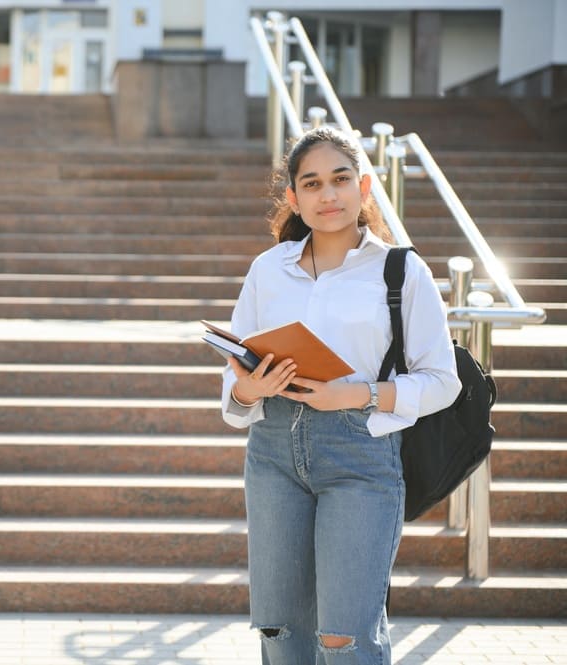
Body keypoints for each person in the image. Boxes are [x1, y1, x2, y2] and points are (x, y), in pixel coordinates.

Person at [219, 126, 461, 664]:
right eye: (312, 184)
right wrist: (247, 388)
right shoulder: (269, 269)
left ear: (365, 186)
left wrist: (355, 395)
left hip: (360, 458)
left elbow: (443, 381)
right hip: (273, 453)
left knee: (344, 638)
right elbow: (235, 386)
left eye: (340, 179)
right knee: (279, 630)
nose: (328, 195)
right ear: (294, 198)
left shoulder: (401, 270)